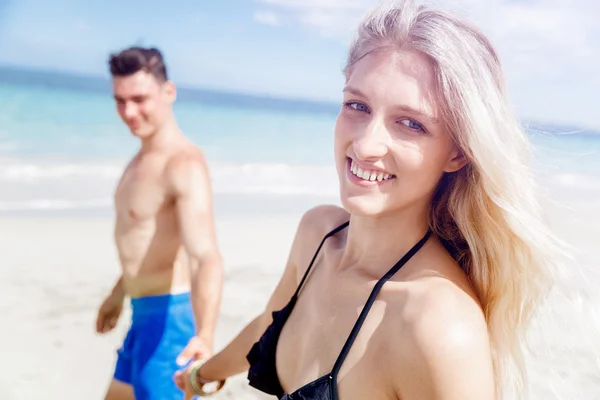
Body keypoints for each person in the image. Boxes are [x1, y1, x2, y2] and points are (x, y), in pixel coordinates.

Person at [176, 0, 563, 399]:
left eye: (410, 123)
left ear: (458, 153)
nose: (364, 145)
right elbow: (266, 327)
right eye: (357, 105)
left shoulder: (438, 328)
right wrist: (199, 376)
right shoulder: (318, 234)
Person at [95, 46, 224, 400]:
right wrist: (117, 294)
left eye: (139, 98)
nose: (128, 112)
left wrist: (206, 335)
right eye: (120, 100)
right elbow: (147, 241)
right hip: (141, 316)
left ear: (169, 92)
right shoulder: (139, 161)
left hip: (170, 323)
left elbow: (205, 256)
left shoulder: (183, 165)